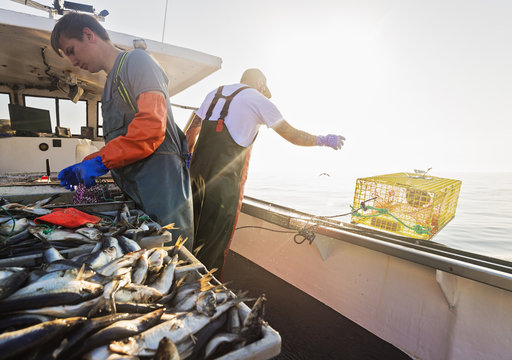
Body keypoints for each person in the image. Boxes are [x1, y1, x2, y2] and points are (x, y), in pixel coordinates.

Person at [50, 13, 193, 248]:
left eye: (72, 50)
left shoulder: (137, 61)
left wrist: (100, 163)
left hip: (163, 191)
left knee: (172, 255)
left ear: (89, 35)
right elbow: (125, 140)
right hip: (137, 190)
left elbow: (150, 129)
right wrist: (89, 161)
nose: (73, 62)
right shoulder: (110, 85)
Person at [186, 68, 345, 276]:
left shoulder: (215, 93)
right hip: (223, 185)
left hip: (194, 176)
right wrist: (322, 140)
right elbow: (292, 135)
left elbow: (191, 129)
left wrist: (189, 158)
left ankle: (180, 278)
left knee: (190, 233)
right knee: (213, 243)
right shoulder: (257, 99)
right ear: (260, 84)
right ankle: (202, 295)